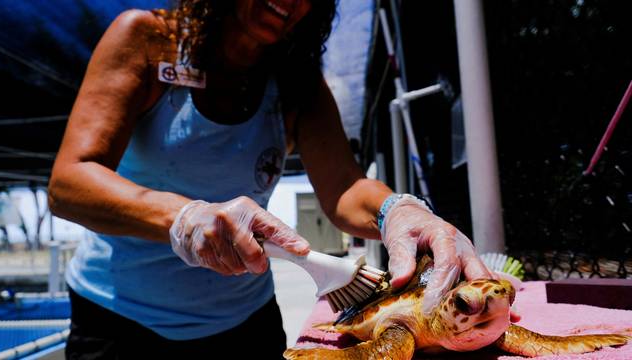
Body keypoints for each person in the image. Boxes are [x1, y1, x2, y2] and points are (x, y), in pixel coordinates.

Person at [48, 0, 495, 358]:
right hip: (120, 324)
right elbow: (70, 182)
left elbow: (344, 187)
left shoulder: (298, 82)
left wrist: (397, 210)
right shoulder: (146, 39)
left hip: (245, 327)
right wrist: (183, 216)